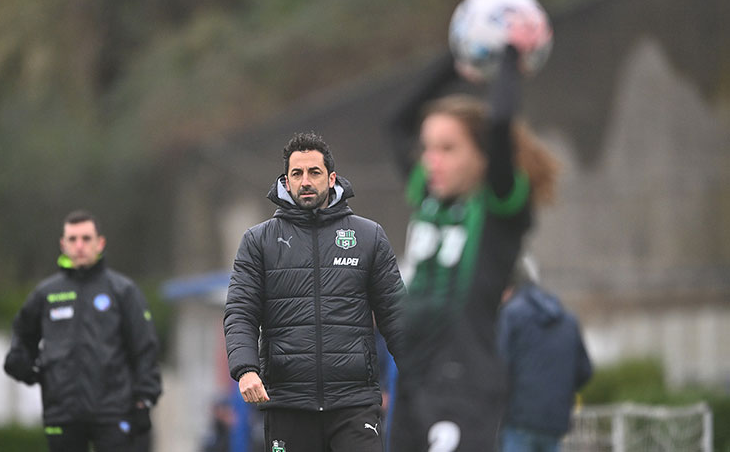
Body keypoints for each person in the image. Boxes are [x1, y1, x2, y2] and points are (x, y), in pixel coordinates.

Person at [388, 33, 561, 450]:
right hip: (414, 375)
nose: (431, 161)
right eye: (428, 148)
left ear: (482, 157)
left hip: (462, 382)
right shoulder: (430, 196)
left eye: (447, 148)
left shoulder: (498, 208)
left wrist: (508, 56)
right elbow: (396, 124)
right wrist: (456, 60)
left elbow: (499, 125)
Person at [223, 132, 405, 452]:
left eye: (314, 172)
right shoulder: (258, 242)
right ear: (286, 181)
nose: (305, 181)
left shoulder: (368, 236)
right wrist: (246, 369)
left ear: (331, 178)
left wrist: (420, 372)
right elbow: (240, 312)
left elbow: (396, 314)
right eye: (297, 173)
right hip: (288, 403)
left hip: (354, 403)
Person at [3, 210, 162, 452]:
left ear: (100, 243)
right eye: (73, 239)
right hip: (61, 412)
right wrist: (22, 364)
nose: (79, 246)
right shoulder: (46, 294)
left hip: (114, 412)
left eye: (86, 238)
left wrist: (145, 399)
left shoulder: (123, 291)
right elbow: (22, 335)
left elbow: (145, 348)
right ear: (63, 244)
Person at [497, 256, 593, 452]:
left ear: (508, 288)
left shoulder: (511, 314)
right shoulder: (568, 319)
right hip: (554, 425)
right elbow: (585, 370)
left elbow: (499, 366)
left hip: (518, 421)